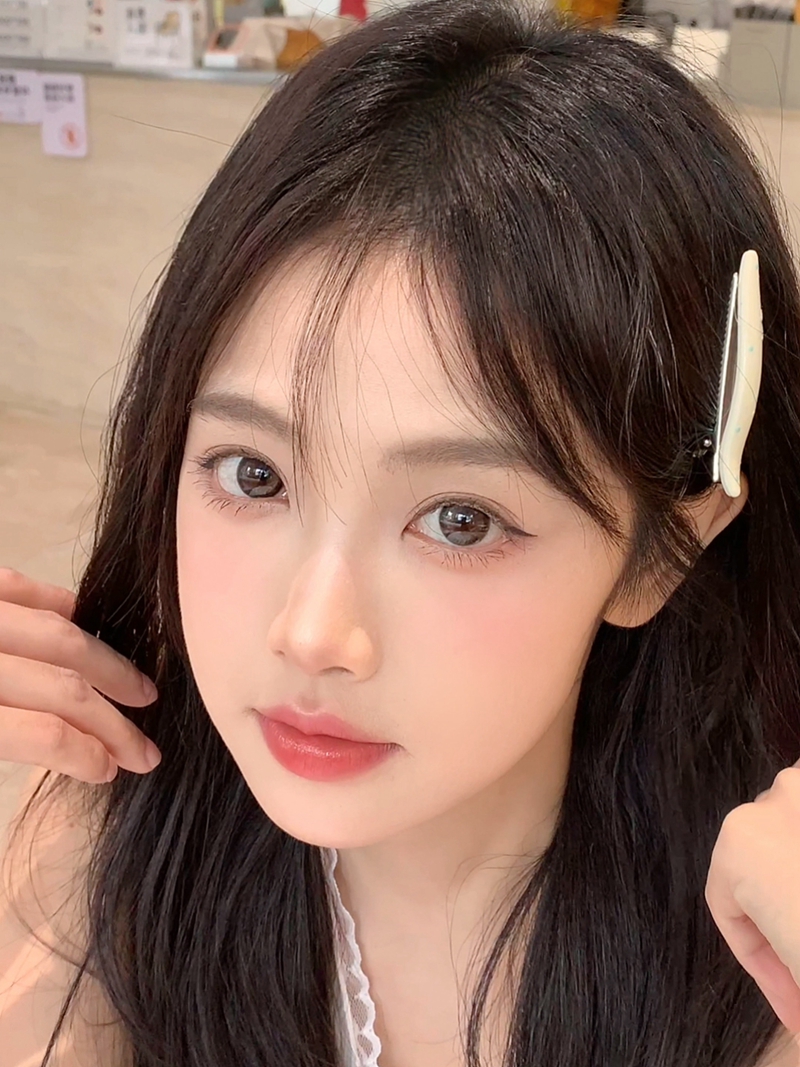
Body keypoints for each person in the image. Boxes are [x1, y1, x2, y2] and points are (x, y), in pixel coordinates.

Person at [1, 0, 800, 1064]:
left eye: (459, 520)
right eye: (253, 473)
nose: (311, 632)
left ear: (665, 550)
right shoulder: (116, 838)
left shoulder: (758, 953)